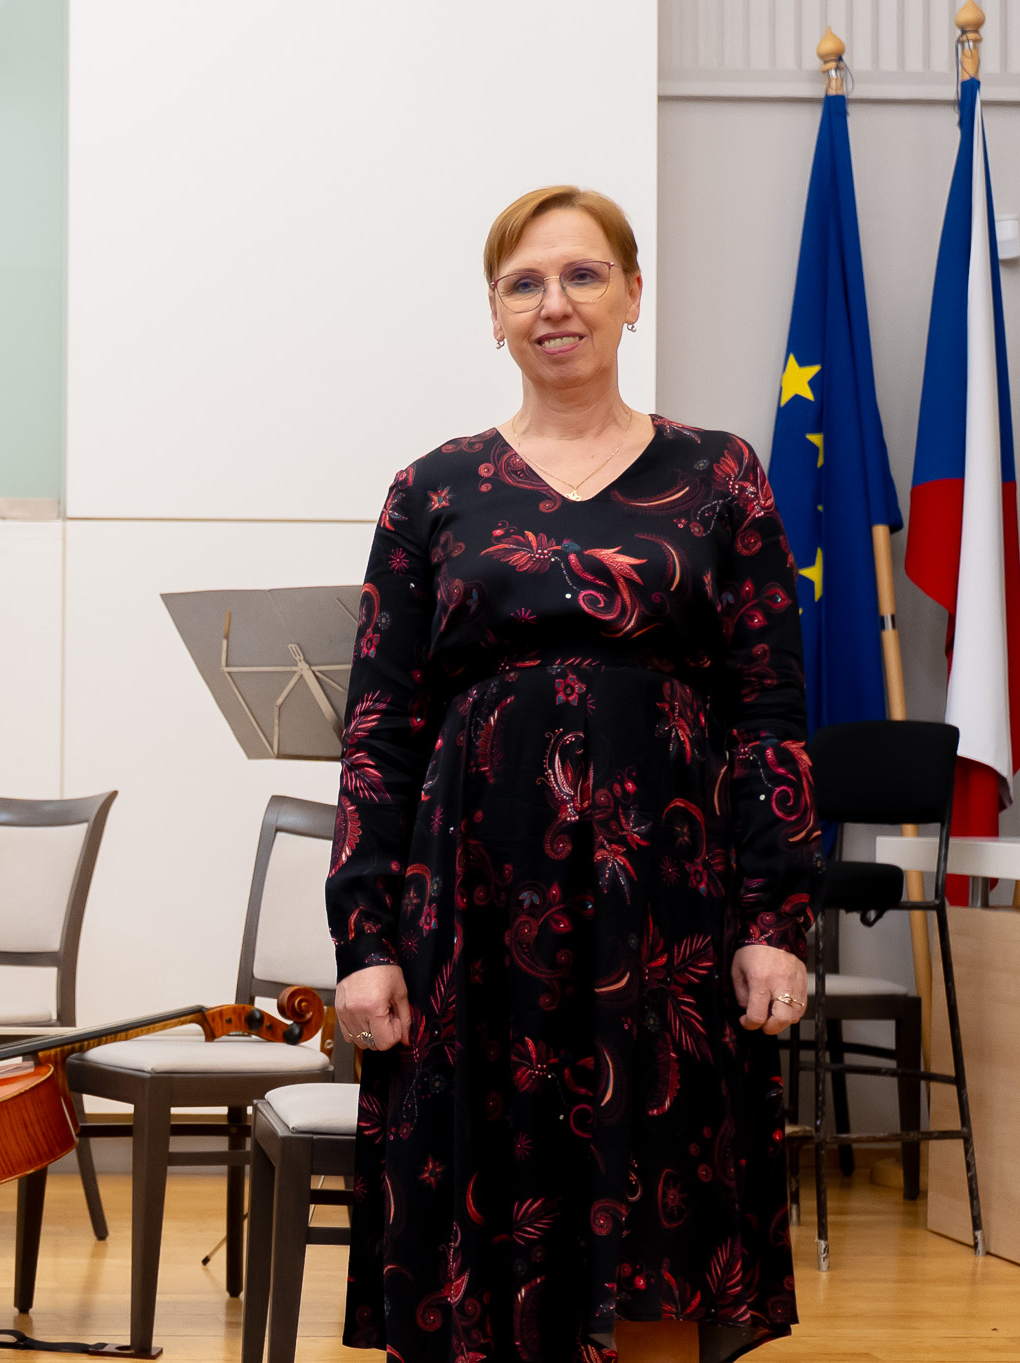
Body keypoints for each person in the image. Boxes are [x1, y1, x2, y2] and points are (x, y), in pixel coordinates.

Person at [327, 186, 818, 1363]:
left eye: (583, 274)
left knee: (658, 1217)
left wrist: (775, 922)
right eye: (523, 283)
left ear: (632, 294)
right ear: (493, 313)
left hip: (670, 915)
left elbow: (768, 717)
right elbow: (378, 729)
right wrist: (363, 940)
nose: (554, 304)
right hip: (471, 915)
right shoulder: (431, 488)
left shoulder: (721, 474)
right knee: (478, 1235)